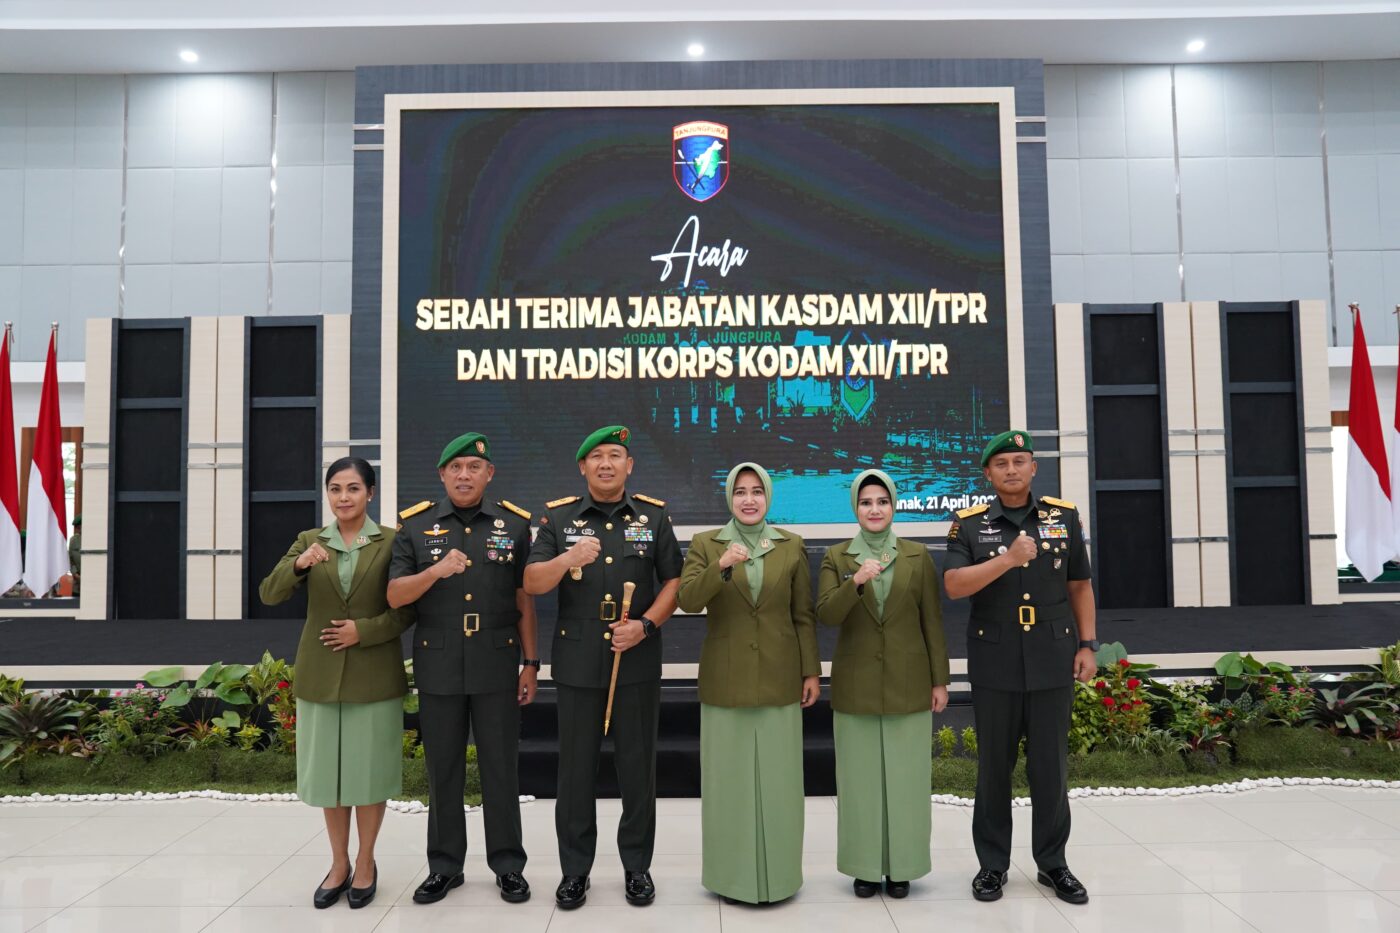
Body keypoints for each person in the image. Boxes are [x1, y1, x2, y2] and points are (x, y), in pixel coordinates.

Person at [523, 425, 682, 909]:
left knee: (637, 769)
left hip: (636, 658)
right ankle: (575, 871)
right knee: (575, 772)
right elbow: (532, 581)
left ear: (629, 465)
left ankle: (637, 867)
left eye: (615, 455)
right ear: (583, 467)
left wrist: (646, 626)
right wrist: (568, 557)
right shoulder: (558, 517)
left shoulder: (653, 516)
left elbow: (674, 582)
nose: (606, 464)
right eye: (597, 457)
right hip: (577, 661)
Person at [941, 430, 1098, 905]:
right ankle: (992, 865)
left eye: (1019, 461)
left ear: (1033, 468)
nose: (1011, 470)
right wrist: (1008, 560)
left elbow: (1079, 585)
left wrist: (1087, 644)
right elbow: (954, 585)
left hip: (1052, 655)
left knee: (1050, 767)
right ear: (987, 474)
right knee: (994, 768)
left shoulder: (1062, 517)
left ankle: (1053, 864)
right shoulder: (969, 524)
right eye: (1001, 463)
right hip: (996, 659)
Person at [387, 432, 538, 905]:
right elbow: (395, 595)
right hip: (439, 662)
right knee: (444, 768)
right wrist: (435, 571)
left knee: (501, 768)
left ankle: (508, 866)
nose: (464, 475)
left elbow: (523, 599)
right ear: (442, 475)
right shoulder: (415, 526)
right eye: (455, 467)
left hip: (497, 659)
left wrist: (531, 662)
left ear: (489, 474)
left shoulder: (514, 525)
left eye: (474, 467)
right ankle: (445, 866)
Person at [258, 457, 415, 910]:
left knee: (369, 774)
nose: (343, 497)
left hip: (374, 673)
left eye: (353, 488)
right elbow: (269, 593)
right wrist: (300, 565)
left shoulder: (393, 541)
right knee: (329, 775)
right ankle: (339, 863)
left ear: (370, 493)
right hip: (321, 674)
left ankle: (366, 862)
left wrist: (362, 631)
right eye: (335, 489)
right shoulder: (309, 541)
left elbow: (407, 610)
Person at [677, 462, 819, 905]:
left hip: (781, 677)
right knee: (729, 785)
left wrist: (810, 671)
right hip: (726, 680)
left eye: (757, 491)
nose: (749, 499)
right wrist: (721, 566)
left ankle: (780, 878)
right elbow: (687, 600)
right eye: (740, 491)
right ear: (729, 497)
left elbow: (802, 615)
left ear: (768, 497)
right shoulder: (706, 544)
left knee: (780, 786)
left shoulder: (791, 545)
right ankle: (729, 878)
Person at [816, 469, 950, 899]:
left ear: (893, 506)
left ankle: (902, 865)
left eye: (882, 501)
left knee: (907, 780)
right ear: (855, 508)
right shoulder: (837, 557)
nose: (874, 509)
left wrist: (940, 680)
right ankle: (865, 868)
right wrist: (855, 582)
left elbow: (932, 621)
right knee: (859, 782)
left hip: (909, 682)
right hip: (856, 684)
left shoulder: (917, 555)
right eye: (866, 502)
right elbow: (826, 614)